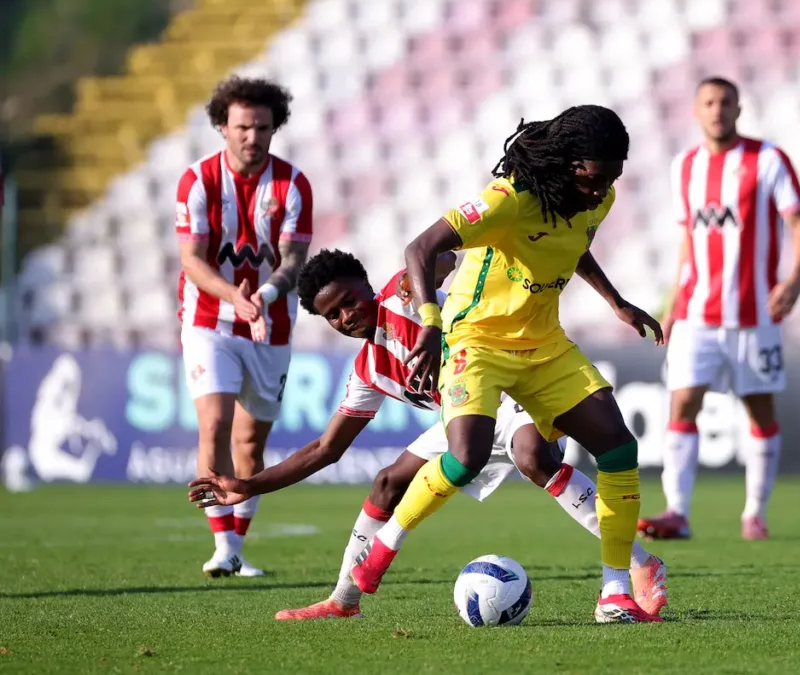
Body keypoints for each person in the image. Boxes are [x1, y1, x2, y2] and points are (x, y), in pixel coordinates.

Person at [188, 249, 667, 618]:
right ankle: (343, 598)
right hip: (463, 414)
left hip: (509, 384)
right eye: (333, 316)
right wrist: (248, 486)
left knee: (533, 457)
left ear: (367, 287)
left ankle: (640, 562)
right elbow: (325, 449)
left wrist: (428, 273)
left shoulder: (404, 296)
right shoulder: (367, 369)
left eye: (350, 302)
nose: (346, 317)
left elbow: (445, 258)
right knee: (386, 482)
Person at [348, 105, 666, 624]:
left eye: (614, 175)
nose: (604, 188)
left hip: (544, 346)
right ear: (567, 163)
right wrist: (430, 323)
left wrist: (616, 301)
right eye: (595, 175)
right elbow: (421, 247)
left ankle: (615, 593)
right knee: (466, 457)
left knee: (617, 446)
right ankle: (385, 545)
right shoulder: (508, 199)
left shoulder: (597, 197)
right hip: (478, 341)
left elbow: (571, 247)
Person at [637, 77, 800, 542]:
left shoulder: (767, 159)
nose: (717, 110)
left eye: (725, 102)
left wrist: (792, 280)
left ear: (739, 108)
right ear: (697, 111)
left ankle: (754, 512)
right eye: (709, 103)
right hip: (697, 313)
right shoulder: (685, 166)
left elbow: (799, 224)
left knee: (759, 411)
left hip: (754, 316)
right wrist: (673, 302)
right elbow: (687, 241)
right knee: (682, 402)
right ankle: (677, 511)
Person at [176, 75, 312, 576]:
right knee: (213, 425)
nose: (252, 137)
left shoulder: (293, 184)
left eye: (262, 128)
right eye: (242, 127)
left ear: (275, 128)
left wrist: (266, 296)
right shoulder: (198, 181)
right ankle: (223, 547)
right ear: (222, 127)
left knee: (251, 444)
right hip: (209, 318)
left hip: (270, 325)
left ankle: (238, 545)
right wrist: (236, 297)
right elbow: (191, 260)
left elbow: (294, 261)